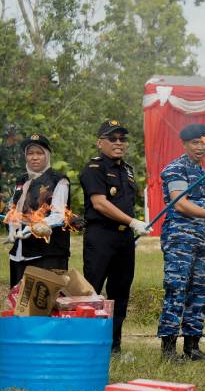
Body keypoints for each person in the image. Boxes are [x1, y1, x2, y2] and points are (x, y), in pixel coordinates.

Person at [155, 124, 205, 362]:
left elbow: (201, 206)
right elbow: (180, 203)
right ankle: (168, 350)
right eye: (195, 143)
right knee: (176, 290)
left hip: (202, 239)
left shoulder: (203, 172)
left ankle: (192, 347)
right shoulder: (176, 169)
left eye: (203, 142)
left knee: (201, 293)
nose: (200, 147)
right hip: (180, 240)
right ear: (185, 144)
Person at [79, 120, 149, 355]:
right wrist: (132, 222)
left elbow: (126, 203)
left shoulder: (127, 170)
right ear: (100, 143)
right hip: (101, 237)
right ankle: (87, 342)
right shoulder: (93, 169)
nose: (119, 143)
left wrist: (133, 224)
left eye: (122, 139)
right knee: (92, 290)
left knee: (120, 292)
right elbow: (100, 204)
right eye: (113, 138)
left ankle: (114, 345)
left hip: (124, 239)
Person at [6, 133, 71, 286]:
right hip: (19, 254)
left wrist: (30, 228)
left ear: (47, 155)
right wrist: (11, 229)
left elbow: (58, 216)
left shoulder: (58, 180)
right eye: (30, 153)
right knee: (19, 305)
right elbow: (15, 208)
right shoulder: (22, 179)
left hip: (47, 255)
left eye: (39, 153)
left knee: (42, 306)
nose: (34, 157)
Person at [0, 123, 22, 207]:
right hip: (7, 183)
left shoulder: (21, 149)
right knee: (7, 203)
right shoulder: (2, 150)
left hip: (20, 181)